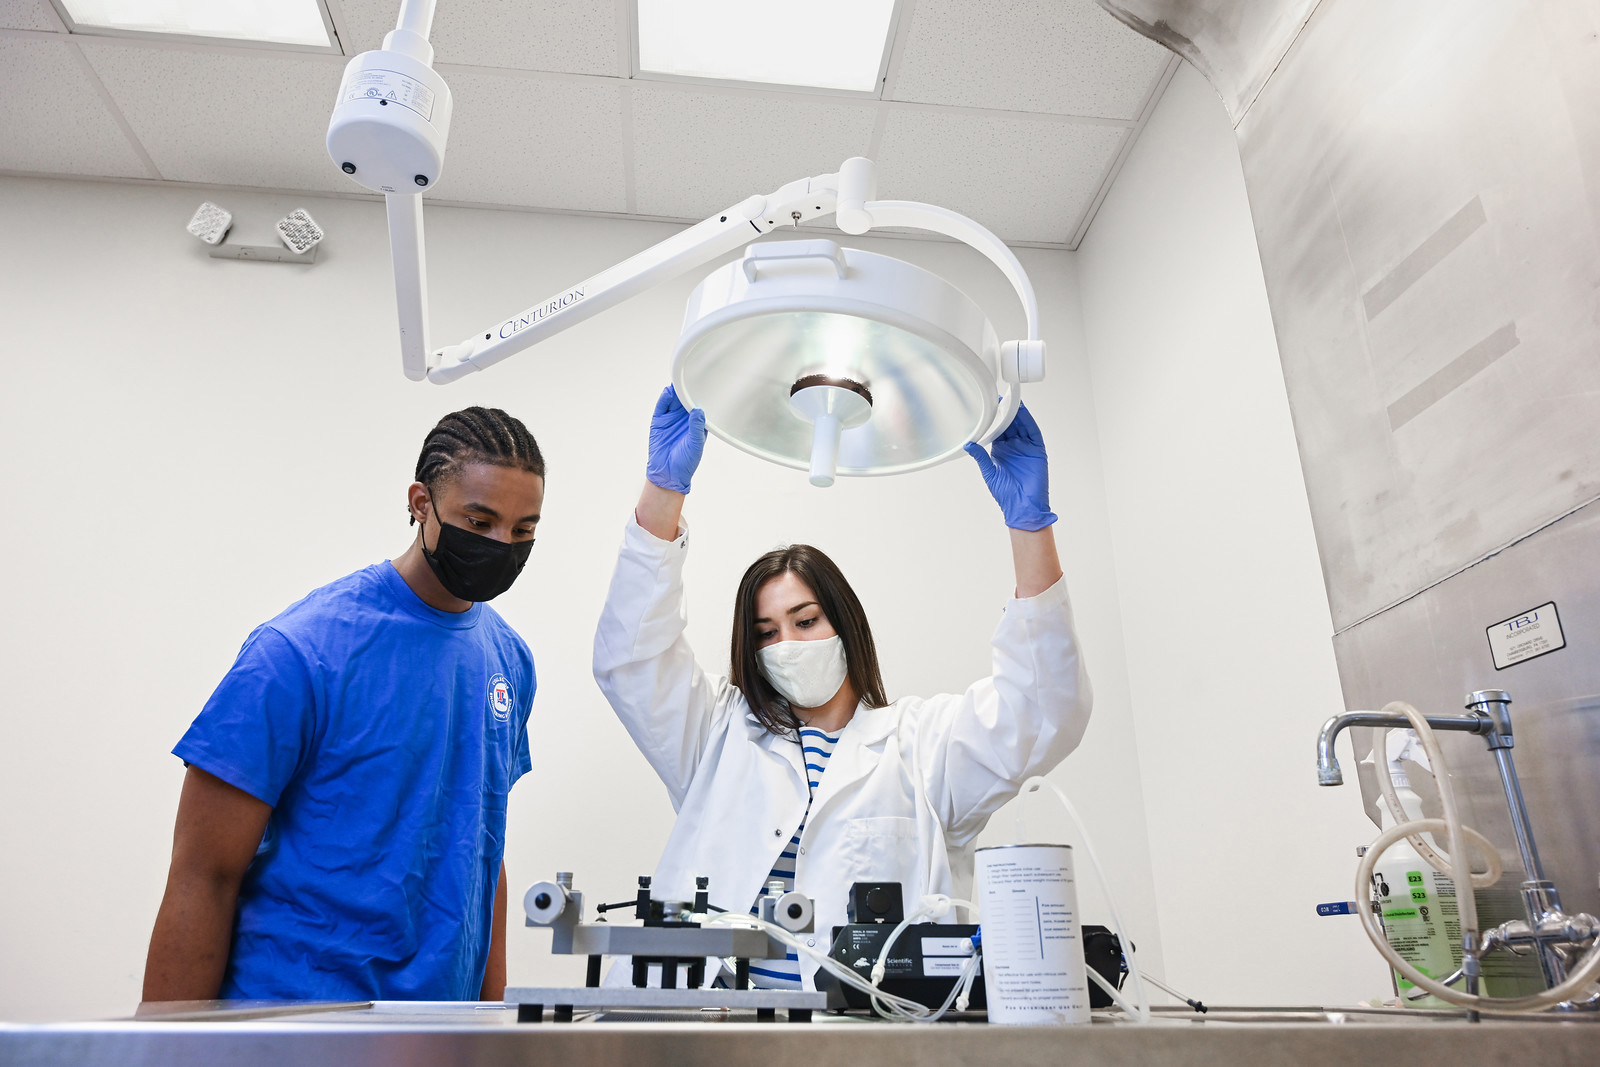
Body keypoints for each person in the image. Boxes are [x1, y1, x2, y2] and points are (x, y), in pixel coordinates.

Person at [593, 387, 1091, 989]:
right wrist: (663, 495)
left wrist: (1028, 527)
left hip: (853, 1043)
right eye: (766, 632)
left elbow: (1044, 709)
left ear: (845, 624)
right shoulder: (715, 736)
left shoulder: (922, 748)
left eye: (806, 621)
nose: (788, 645)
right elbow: (630, 659)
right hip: (704, 1030)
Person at [141, 407, 545, 1004]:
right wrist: (162, 1052)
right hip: (295, 1027)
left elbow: (483, 845)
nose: (499, 545)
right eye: (479, 521)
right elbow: (204, 875)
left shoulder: (508, 658)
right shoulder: (299, 652)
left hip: (435, 1034)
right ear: (420, 503)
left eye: (522, 530)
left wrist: (491, 1024)